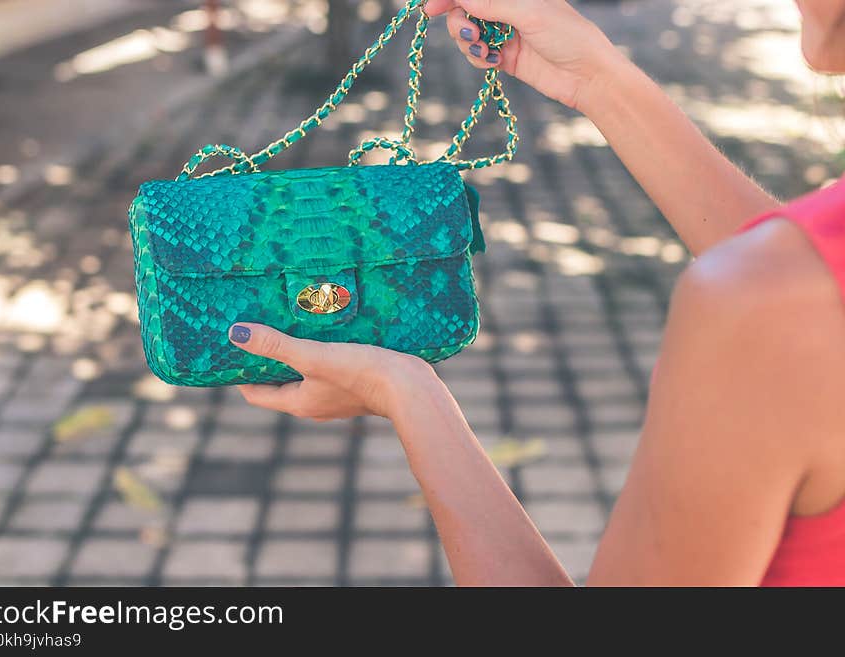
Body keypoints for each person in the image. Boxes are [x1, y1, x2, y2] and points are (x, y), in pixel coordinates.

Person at [225, 0, 845, 585]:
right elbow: (803, 276)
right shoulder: (789, 293)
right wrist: (594, 75)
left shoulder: (766, 307)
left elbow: (783, 294)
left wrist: (408, 394)